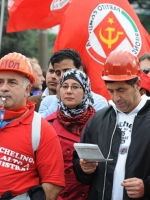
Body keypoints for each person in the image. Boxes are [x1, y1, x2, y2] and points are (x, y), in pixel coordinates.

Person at [73, 49, 150, 200]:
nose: (116, 97)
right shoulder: (98, 120)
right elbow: (80, 168)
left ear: (137, 84)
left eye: (121, 90)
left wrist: (147, 186)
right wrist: (84, 169)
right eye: (111, 91)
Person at [0, 52, 65, 199]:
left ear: (28, 89)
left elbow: (54, 184)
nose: (4, 88)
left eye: (12, 82)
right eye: (0, 82)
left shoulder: (41, 129)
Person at [46, 69, 96, 200]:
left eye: (75, 87)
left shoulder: (98, 123)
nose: (68, 91)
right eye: (64, 86)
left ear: (86, 90)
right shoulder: (47, 124)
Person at [39, 48, 108, 118]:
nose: (62, 76)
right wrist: (58, 101)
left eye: (67, 70)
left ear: (80, 70)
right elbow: (42, 125)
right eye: (58, 72)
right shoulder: (48, 102)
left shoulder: (98, 102)